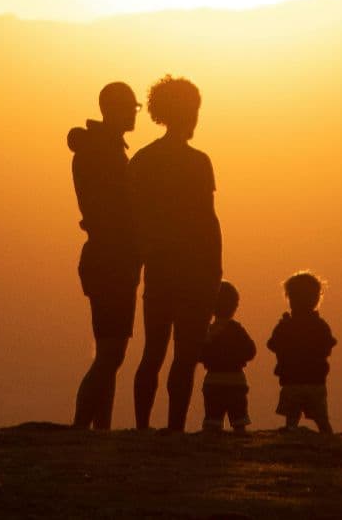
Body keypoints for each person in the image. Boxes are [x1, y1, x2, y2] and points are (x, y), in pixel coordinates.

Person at [129, 75, 222, 431]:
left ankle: (142, 428)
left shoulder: (142, 161)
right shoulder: (199, 162)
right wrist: (215, 269)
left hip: (159, 266)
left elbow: (134, 217)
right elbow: (207, 219)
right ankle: (175, 428)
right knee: (184, 356)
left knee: (153, 352)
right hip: (195, 269)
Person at [66, 81, 142, 430]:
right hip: (112, 258)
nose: (134, 113)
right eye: (130, 107)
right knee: (111, 353)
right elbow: (117, 209)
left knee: (110, 353)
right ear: (112, 109)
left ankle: (100, 430)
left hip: (110, 257)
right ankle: (82, 429)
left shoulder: (101, 149)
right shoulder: (103, 153)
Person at [267, 271, 337, 434]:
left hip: (292, 381)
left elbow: (272, 344)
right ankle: (327, 438)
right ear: (316, 300)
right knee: (322, 419)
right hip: (315, 381)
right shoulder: (320, 325)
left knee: (292, 417)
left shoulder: (286, 326)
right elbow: (328, 346)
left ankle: (292, 434)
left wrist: (282, 327)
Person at [199, 280, 257, 434]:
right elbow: (251, 351)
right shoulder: (237, 330)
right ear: (234, 306)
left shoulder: (208, 331)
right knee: (239, 419)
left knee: (212, 418)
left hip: (213, 380)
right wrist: (237, 358)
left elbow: (199, 354)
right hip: (236, 380)